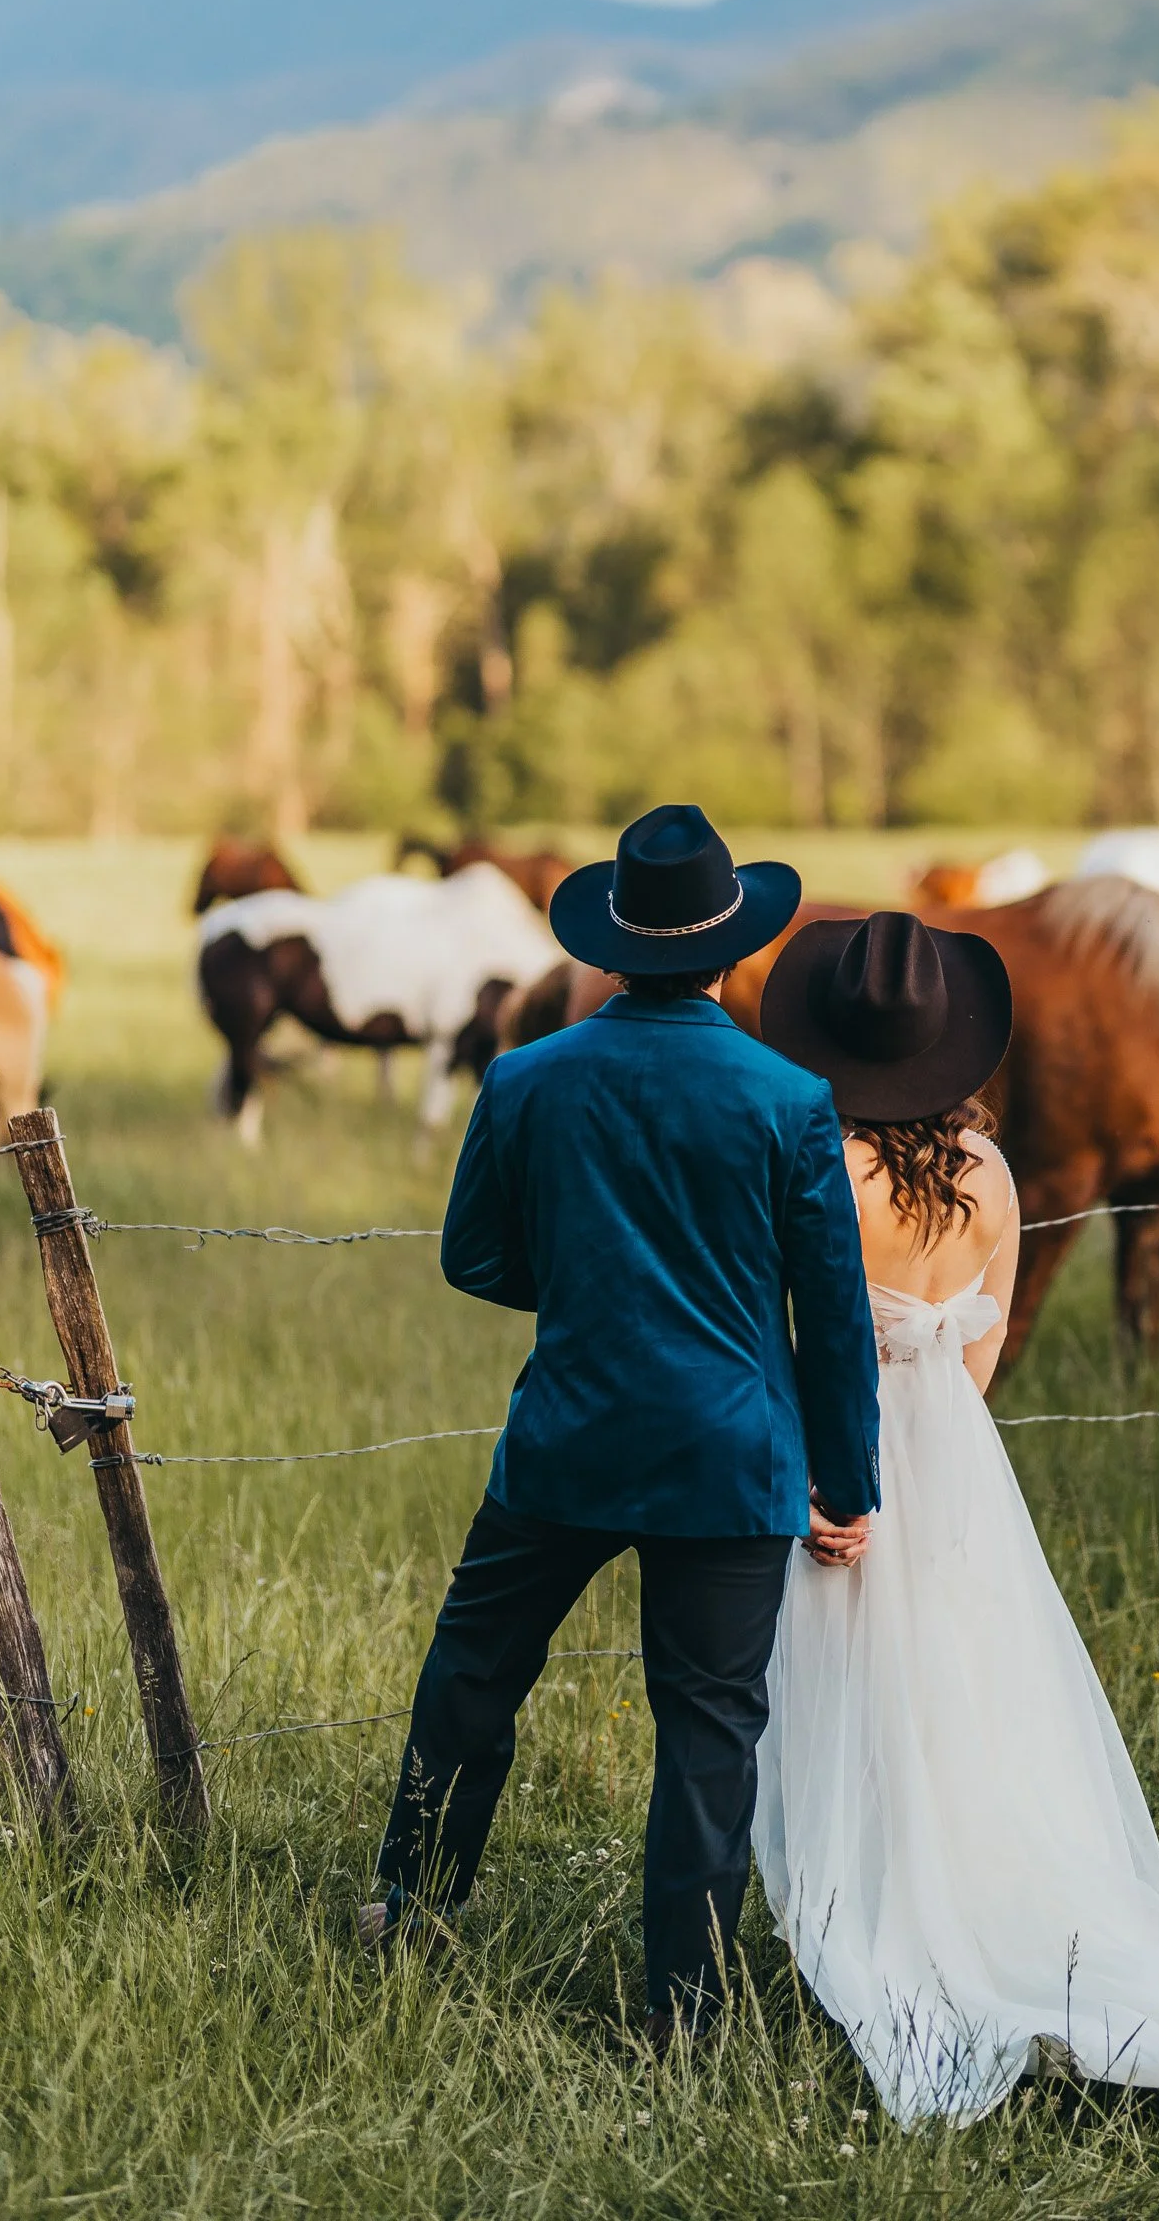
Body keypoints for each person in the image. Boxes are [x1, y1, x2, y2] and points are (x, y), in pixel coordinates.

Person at [753, 908, 1159, 2126]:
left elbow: (798, 1341)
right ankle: (1012, 1903)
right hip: (955, 1455)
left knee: (850, 1688)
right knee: (967, 1686)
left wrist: (832, 1475)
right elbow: (977, 1353)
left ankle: (882, 1904)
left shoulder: (817, 1169)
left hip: (841, 1455)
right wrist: (928, 1429)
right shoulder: (990, 1175)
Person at [364, 805, 881, 2037]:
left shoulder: (527, 1075)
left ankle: (414, 1905)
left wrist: (595, 1281)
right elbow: (834, 1314)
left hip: (567, 1439)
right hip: (733, 1455)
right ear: (727, 953)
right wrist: (846, 1480)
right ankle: (685, 2013)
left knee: (472, 1674)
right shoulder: (787, 1097)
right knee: (707, 1731)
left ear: (615, 945)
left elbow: (475, 1259)